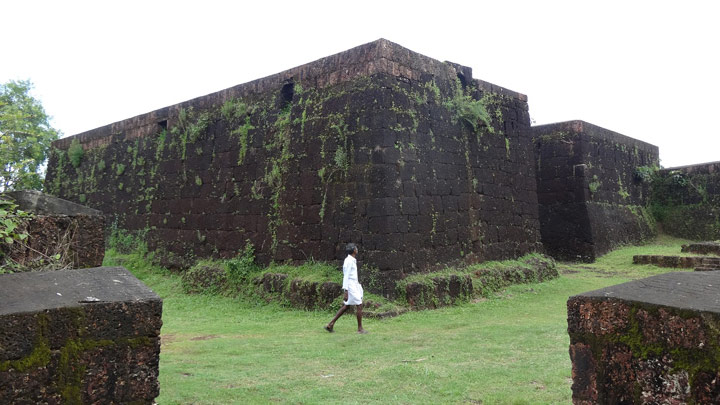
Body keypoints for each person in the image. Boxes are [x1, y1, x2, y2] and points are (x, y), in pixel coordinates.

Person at [325, 243, 367, 334]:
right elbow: (346, 276)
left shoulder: (352, 260)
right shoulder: (349, 261)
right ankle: (360, 329)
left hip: (353, 285)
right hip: (350, 286)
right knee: (359, 305)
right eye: (356, 248)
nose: (357, 249)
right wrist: (346, 291)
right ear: (353, 250)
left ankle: (330, 324)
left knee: (347, 306)